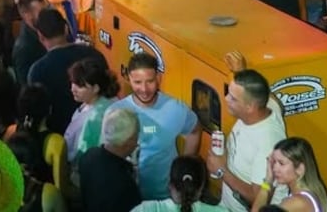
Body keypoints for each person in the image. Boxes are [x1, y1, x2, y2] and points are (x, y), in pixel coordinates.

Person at [117, 51, 200, 200]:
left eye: (150, 81)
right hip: (128, 198)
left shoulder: (176, 108)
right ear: (129, 79)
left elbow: (194, 130)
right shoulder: (116, 112)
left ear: (159, 78)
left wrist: (184, 165)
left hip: (165, 199)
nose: (144, 89)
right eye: (137, 82)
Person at [210, 69, 287, 212]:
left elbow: (259, 198)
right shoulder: (267, 106)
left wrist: (221, 171)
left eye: (233, 98)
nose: (226, 99)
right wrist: (241, 69)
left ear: (250, 107)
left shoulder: (267, 143)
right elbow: (273, 100)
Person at [26, 8, 105, 134]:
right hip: (98, 128)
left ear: (40, 36)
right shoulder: (95, 55)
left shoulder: (37, 71)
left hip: (58, 136)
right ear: (66, 29)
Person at [77, 105, 141, 212]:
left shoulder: (88, 156)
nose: (138, 142)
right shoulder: (125, 186)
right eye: (137, 135)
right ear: (128, 142)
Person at [249, 137, 327, 212]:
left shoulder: (297, 202)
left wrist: (267, 182)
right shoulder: (306, 194)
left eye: (281, 163)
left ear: (299, 169)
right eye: (274, 162)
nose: (274, 168)